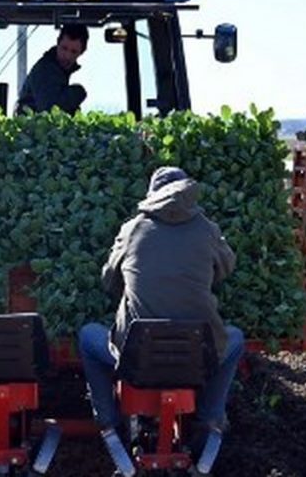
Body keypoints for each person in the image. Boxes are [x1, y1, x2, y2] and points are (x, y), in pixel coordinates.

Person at [78, 166, 245, 446]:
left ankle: (107, 421)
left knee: (87, 337)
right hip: (195, 356)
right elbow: (226, 268)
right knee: (235, 339)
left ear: (152, 195)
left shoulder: (133, 229)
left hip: (136, 358)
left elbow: (109, 279)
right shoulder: (207, 229)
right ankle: (210, 417)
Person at [15, 24, 89, 114]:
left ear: (82, 52)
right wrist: (78, 92)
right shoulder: (45, 70)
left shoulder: (58, 70)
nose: (67, 56)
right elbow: (49, 109)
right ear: (57, 43)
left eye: (74, 52)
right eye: (64, 48)